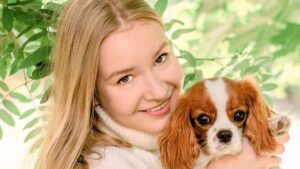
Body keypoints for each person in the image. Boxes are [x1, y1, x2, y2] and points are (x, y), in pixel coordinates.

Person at [36, 0, 289, 169]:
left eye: (160, 58)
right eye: (125, 78)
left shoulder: (185, 127)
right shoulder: (106, 162)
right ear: (90, 92)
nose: (158, 91)